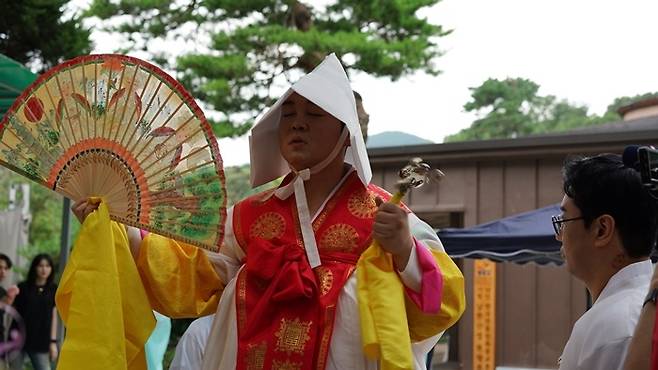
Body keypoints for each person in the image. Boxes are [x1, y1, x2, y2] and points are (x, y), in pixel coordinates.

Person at [74, 53, 465, 369]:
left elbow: (443, 303)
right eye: (289, 114)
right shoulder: (250, 215)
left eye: (314, 115)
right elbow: (188, 273)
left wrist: (404, 252)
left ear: (346, 133)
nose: (297, 125)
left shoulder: (383, 216)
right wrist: (119, 228)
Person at [555, 154, 658, 370]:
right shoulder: (638, 308)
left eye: (564, 221)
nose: (559, 235)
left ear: (602, 229)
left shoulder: (613, 328)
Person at [12, 254, 58, 370]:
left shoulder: (53, 289)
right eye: (40, 266)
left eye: (47, 266)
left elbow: (54, 316)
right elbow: (13, 312)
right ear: (34, 267)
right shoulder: (22, 287)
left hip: (41, 341)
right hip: (18, 338)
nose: (44, 269)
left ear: (51, 269)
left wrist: (53, 342)